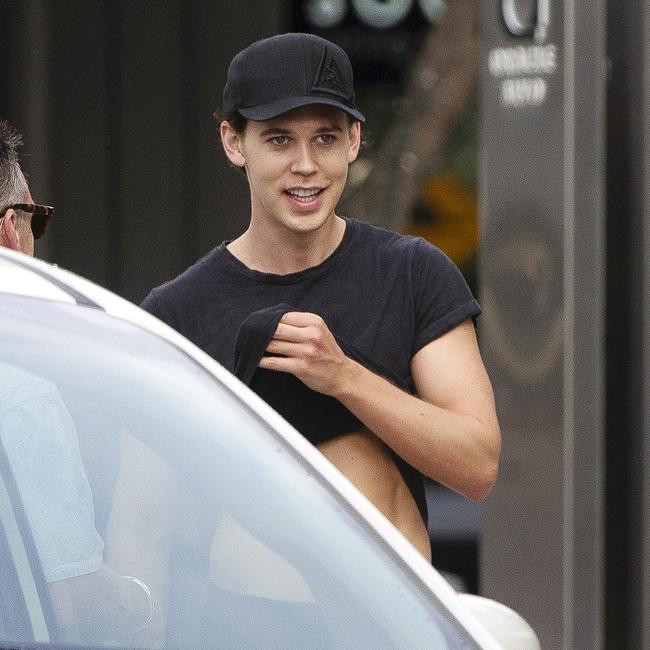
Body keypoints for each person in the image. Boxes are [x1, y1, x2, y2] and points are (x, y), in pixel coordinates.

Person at [141, 33, 500, 562]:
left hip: (389, 627)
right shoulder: (175, 314)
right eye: (280, 139)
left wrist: (345, 378)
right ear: (234, 141)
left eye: (326, 138)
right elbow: (144, 520)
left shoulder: (413, 273)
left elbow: (477, 466)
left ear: (354, 140)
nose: (306, 165)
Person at [0, 119, 157, 644]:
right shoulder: (20, 396)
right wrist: (140, 602)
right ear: (8, 229)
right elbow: (67, 604)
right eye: (33, 223)